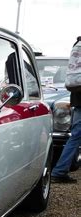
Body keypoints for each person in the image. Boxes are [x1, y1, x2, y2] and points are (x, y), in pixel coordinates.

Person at [51, 37, 81, 183]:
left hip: (77, 98)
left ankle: (61, 170)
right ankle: (59, 171)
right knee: (76, 136)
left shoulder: (77, 46)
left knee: (75, 136)